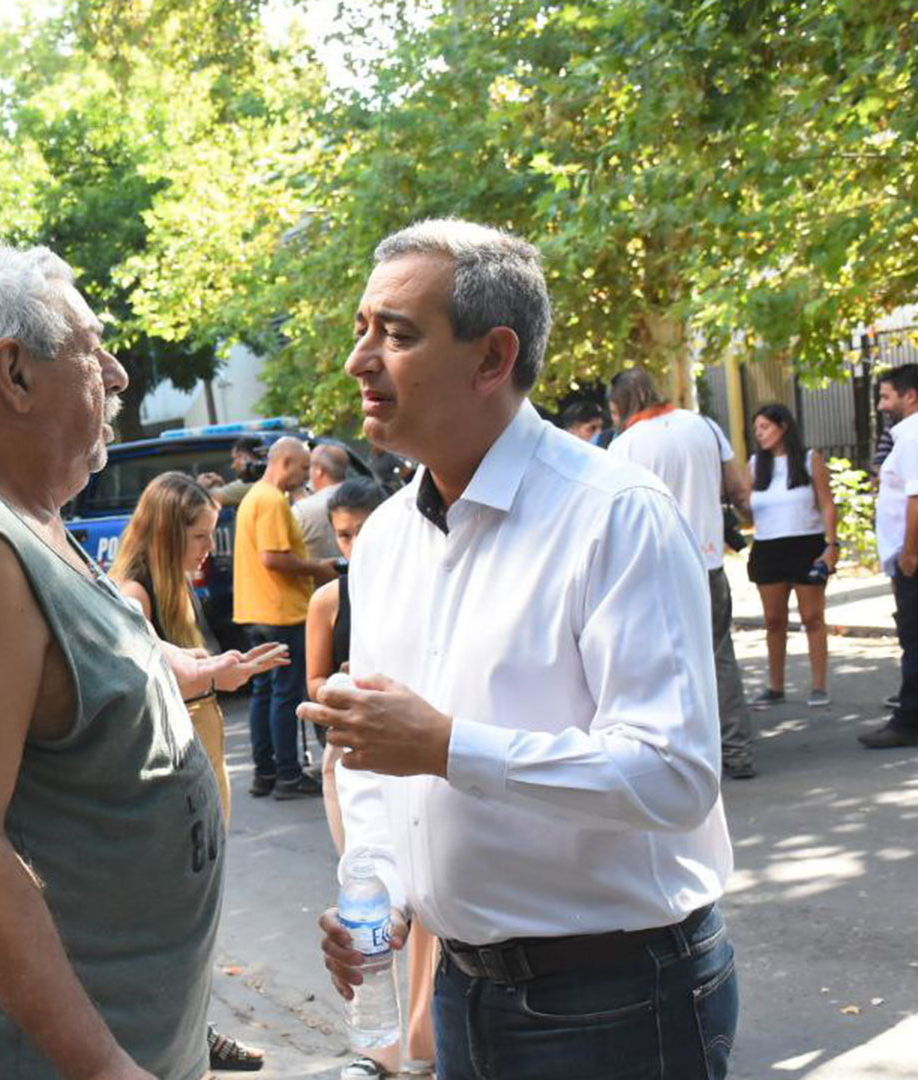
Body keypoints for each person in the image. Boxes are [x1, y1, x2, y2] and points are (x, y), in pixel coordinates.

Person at [0, 244, 282, 1079]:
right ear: (15, 375)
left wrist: (171, 674)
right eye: (91, 347)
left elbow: (41, 680)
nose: (115, 375)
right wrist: (106, 1067)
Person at [305, 220, 737, 1079]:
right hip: (462, 991)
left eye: (395, 333)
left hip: (616, 996)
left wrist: (448, 746)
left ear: (492, 358)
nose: (360, 359)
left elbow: (676, 773)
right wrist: (382, 894)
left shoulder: (615, 514)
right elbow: (373, 753)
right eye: (362, 329)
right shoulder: (386, 537)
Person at [111, 470, 285, 1073]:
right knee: (182, 913)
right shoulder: (133, 595)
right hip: (173, 767)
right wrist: (215, 675)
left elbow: (197, 672)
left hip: (205, 753)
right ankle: (183, 1037)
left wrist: (227, 673)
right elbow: (141, 688)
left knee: (202, 908)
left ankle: (194, 1029)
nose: (211, 549)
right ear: (164, 534)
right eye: (200, 536)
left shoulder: (177, 584)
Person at [303, 476, 435, 1080]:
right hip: (359, 759)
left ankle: (422, 1044)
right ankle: (380, 1051)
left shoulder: (426, 585)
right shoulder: (333, 598)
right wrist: (341, 693)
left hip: (428, 770)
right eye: (346, 536)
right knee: (372, 893)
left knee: (432, 916)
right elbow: (376, 835)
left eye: (364, 531)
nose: (357, 546)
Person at [607, 366, 757, 779]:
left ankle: (689, 754)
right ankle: (737, 750)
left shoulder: (625, 447)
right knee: (720, 656)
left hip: (658, 569)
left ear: (619, 405)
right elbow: (738, 490)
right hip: (708, 562)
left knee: (670, 665)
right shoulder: (705, 427)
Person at [234, 435, 334, 799]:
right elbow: (273, 557)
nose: (307, 474)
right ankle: (288, 775)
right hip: (281, 611)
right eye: (304, 467)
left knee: (264, 693)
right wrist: (317, 570)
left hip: (255, 610)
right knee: (285, 694)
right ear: (286, 464)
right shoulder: (273, 501)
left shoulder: (252, 498)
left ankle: (266, 772)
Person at [859, 363, 918, 748]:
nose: (881, 405)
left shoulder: (916, 438)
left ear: (910, 396)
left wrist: (910, 551)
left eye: (886, 396)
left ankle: (911, 718)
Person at [745, 404, 840, 710]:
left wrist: (832, 544)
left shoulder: (810, 460)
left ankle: (819, 685)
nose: (760, 434)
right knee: (774, 620)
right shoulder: (755, 464)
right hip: (768, 547)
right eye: (757, 429)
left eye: (765, 427)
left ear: (783, 426)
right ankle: (775, 687)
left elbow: (827, 504)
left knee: (812, 618)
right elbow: (745, 506)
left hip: (806, 544)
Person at [293, 443, 350, 561]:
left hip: (317, 578)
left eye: (308, 467)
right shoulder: (365, 500)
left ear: (319, 471)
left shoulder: (302, 510)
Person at [202, 436, 266, 505]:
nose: (233, 466)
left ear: (245, 457)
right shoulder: (267, 480)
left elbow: (209, 497)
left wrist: (200, 485)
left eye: (236, 458)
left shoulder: (253, 484)